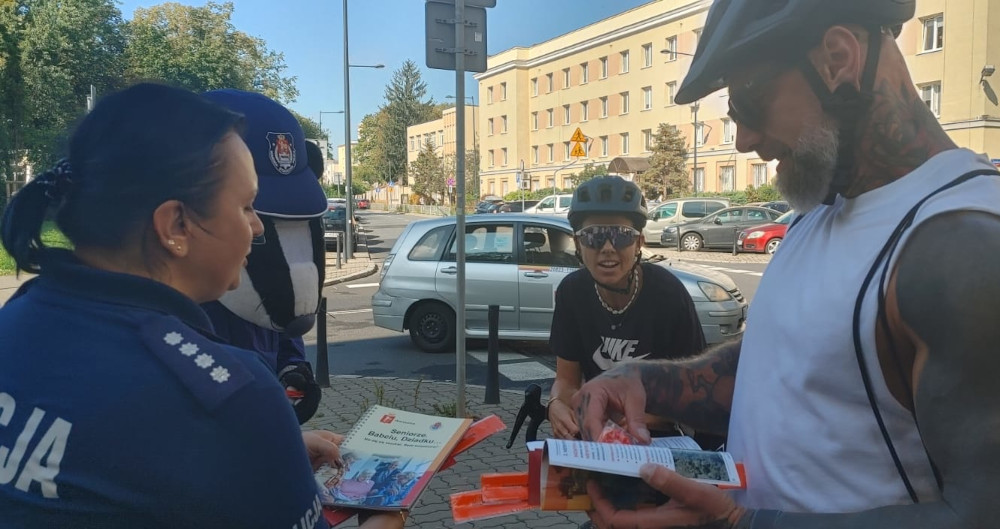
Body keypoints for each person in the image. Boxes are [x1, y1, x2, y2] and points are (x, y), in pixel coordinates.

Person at [572, 1, 1000, 528]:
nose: (743, 140)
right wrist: (642, 382)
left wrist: (740, 523)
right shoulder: (816, 213)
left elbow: (981, 515)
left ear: (837, 59)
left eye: (751, 103)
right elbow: (784, 368)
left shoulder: (961, 248)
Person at [0, 83, 400, 529]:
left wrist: (261, 451)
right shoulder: (230, 393)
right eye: (246, 207)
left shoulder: (16, 319)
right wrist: (387, 519)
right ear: (176, 225)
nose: (257, 228)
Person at [547, 176, 706, 441]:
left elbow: (694, 389)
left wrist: (640, 416)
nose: (608, 248)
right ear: (577, 243)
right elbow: (566, 381)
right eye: (594, 237)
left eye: (621, 236)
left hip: (658, 437)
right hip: (598, 433)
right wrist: (556, 404)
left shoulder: (668, 294)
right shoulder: (571, 292)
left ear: (639, 243)